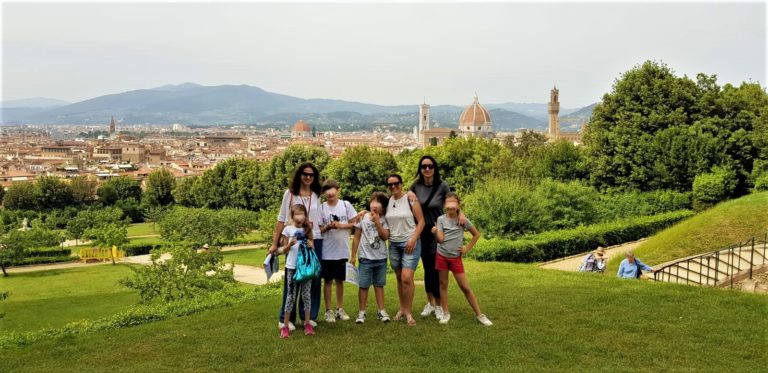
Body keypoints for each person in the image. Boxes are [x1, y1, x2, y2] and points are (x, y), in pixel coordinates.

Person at [269, 162, 323, 331]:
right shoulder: (290, 194)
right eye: (305, 174)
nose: (308, 177)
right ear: (299, 175)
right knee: (291, 280)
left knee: (312, 277)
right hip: (294, 241)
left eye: (311, 175)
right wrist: (274, 243)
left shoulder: (316, 194)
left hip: (313, 239)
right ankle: (286, 318)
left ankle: (308, 316)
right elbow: (281, 218)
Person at [409, 155, 465, 320]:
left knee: (436, 269)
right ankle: (430, 302)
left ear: (435, 168)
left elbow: (452, 202)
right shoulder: (416, 186)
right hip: (421, 232)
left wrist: (461, 214)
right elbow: (404, 198)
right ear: (420, 169)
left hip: (437, 231)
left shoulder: (442, 186)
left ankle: (440, 305)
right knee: (427, 268)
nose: (427, 169)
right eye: (424, 166)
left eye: (430, 166)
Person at [431, 192, 492, 326]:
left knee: (465, 287)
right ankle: (446, 313)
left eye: (454, 203)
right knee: (443, 284)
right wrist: (435, 232)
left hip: (455, 259)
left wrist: (466, 248)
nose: (451, 206)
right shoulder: (441, 219)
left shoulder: (463, 220)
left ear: (458, 205)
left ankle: (480, 315)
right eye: (448, 203)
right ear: (444, 205)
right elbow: (440, 240)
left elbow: (476, 234)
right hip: (441, 256)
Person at [385, 173, 425, 327]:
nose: (393, 187)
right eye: (390, 184)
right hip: (394, 243)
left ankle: (408, 312)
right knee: (399, 277)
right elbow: (374, 208)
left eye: (396, 183)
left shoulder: (410, 198)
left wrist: (413, 239)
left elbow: (421, 221)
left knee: (407, 277)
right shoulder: (388, 201)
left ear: (401, 183)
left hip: (410, 242)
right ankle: (402, 309)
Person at [319, 180, 357, 323]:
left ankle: (340, 309)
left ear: (338, 190)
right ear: (324, 193)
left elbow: (355, 222)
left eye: (332, 189)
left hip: (342, 250)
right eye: (326, 190)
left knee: (340, 281)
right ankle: (328, 311)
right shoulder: (321, 208)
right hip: (327, 251)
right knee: (327, 281)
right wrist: (327, 227)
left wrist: (340, 225)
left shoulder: (345, 205)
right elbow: (318, 230)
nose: (330, 192)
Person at [350, 192, 391, 324]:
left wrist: (377, 222)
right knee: (363, 285)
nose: (375, 204)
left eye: (378, 203)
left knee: (379, 285)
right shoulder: (362, 217)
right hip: (365, 258)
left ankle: (381, 311)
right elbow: (356, 237)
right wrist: (353, 256)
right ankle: (361, 312)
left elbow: (385, 236)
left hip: (381, 258)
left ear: (383, 208)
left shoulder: (385, 219)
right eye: (373, 201)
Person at [279, 204, 315, 338]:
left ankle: (307, 323)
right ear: (292, 216)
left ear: (305, 215)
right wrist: (290, 244)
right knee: (290, 296)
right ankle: (285, 325)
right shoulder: (288, 229)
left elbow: (313, 249)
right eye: (297, 214)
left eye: (302, 213)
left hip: (305, 268)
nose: (300, 217)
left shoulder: (308, 230)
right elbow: (283, 250)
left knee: (306, 295)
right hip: (292, 267)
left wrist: (310, 245)